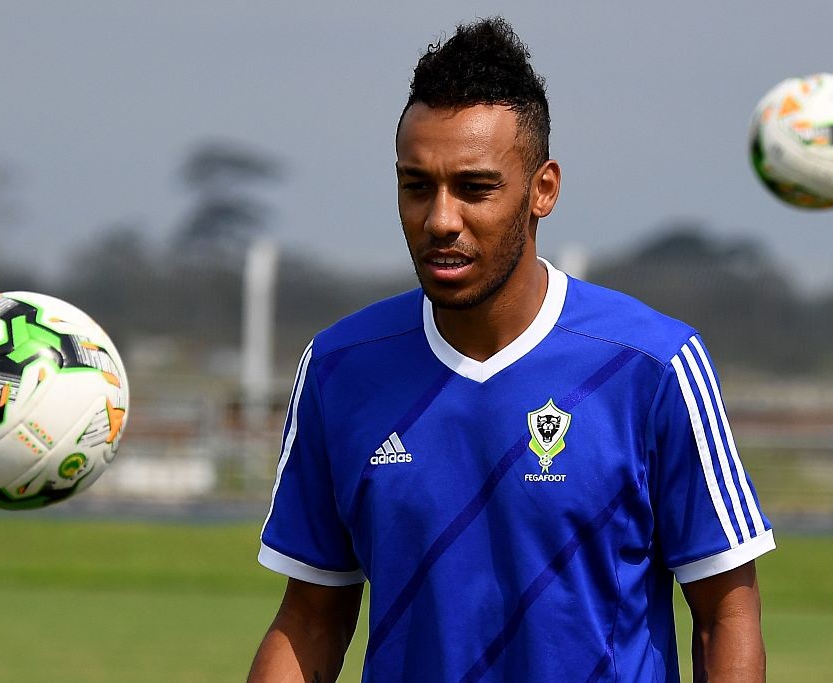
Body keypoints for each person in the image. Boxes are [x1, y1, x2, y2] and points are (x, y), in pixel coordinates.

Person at [249, 16, 774, 683]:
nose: (441, 218)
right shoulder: (339, 370)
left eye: (475, 188)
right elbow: (312, 618)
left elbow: (725, 614)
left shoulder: (651, 366)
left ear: (543, 189)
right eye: (417, 186)